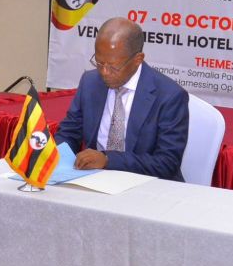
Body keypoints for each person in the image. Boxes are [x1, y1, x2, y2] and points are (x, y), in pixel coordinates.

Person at [54, 17, 189, 180]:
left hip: (147, 184)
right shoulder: (90, 82)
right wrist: (58, 157)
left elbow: (166, 163)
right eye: (99, 63)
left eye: (113, 67)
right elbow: (69, 132)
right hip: (95, 180)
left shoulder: (170, 96)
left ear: (138, 59)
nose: (104, 72)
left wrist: (108, 160)